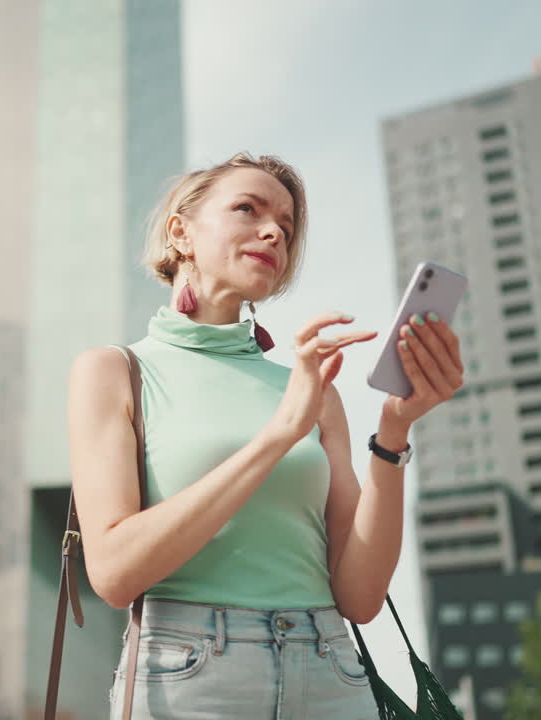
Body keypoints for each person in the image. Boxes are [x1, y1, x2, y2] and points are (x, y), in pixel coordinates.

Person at [66, 152, 464, 718]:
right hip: (189, 678)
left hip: (331, 670)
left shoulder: (313, 389)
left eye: (287, 225)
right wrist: (278, 434)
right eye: (248, 209)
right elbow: (113, 573)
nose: (274, 230)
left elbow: (360, 595)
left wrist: (394, 431)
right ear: (181, 232)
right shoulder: (114, 372)